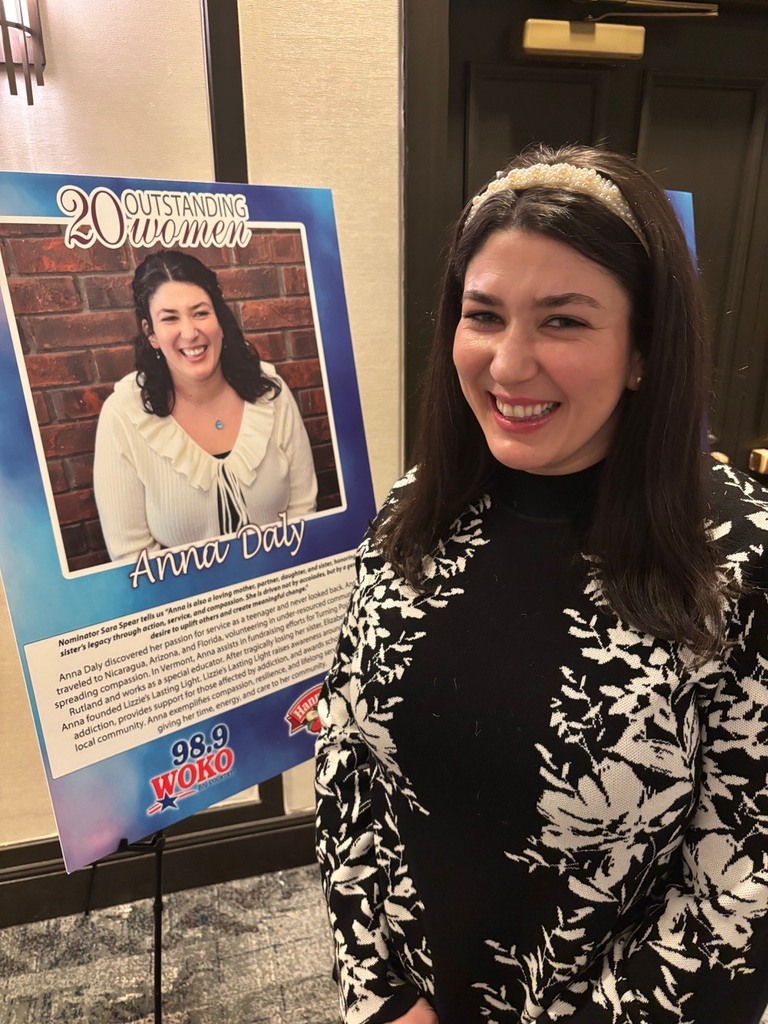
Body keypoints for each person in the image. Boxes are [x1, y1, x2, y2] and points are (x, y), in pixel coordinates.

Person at [315, 144, 768, 1024]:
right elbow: (348, 760)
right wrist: (383, 996)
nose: (509, 364)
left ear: (644, 351)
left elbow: (743, 894)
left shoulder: (739, 556)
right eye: (484, 316)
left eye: (563, 322)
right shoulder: (419, 509)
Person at [93, 250, 317, 561]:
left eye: (200, 313)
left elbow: (303, 509)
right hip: (186, 608)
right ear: (151, 334)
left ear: (220, 321)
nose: (189, 332)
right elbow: (131, 555)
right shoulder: (122, 416)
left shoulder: (271, 390)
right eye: (170, 318)